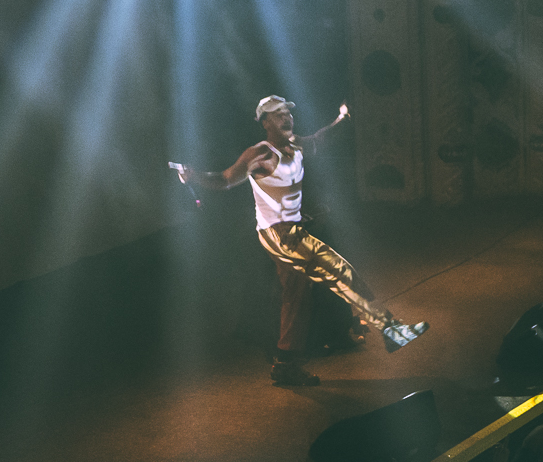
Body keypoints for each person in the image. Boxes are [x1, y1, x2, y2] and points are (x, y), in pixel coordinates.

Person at [175, 95, 427, 387]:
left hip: (292, 228)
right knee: (340, 270)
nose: (286, 117)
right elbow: (226, 178)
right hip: (280, 234)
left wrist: (342, 118)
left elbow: (321, 138)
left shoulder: (297, 146)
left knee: (296, 297)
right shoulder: (261, 153)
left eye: (287, 112)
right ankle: (390, 329)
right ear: (265, 122)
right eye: (277, 114)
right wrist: (194, 176)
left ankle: (286, 365)